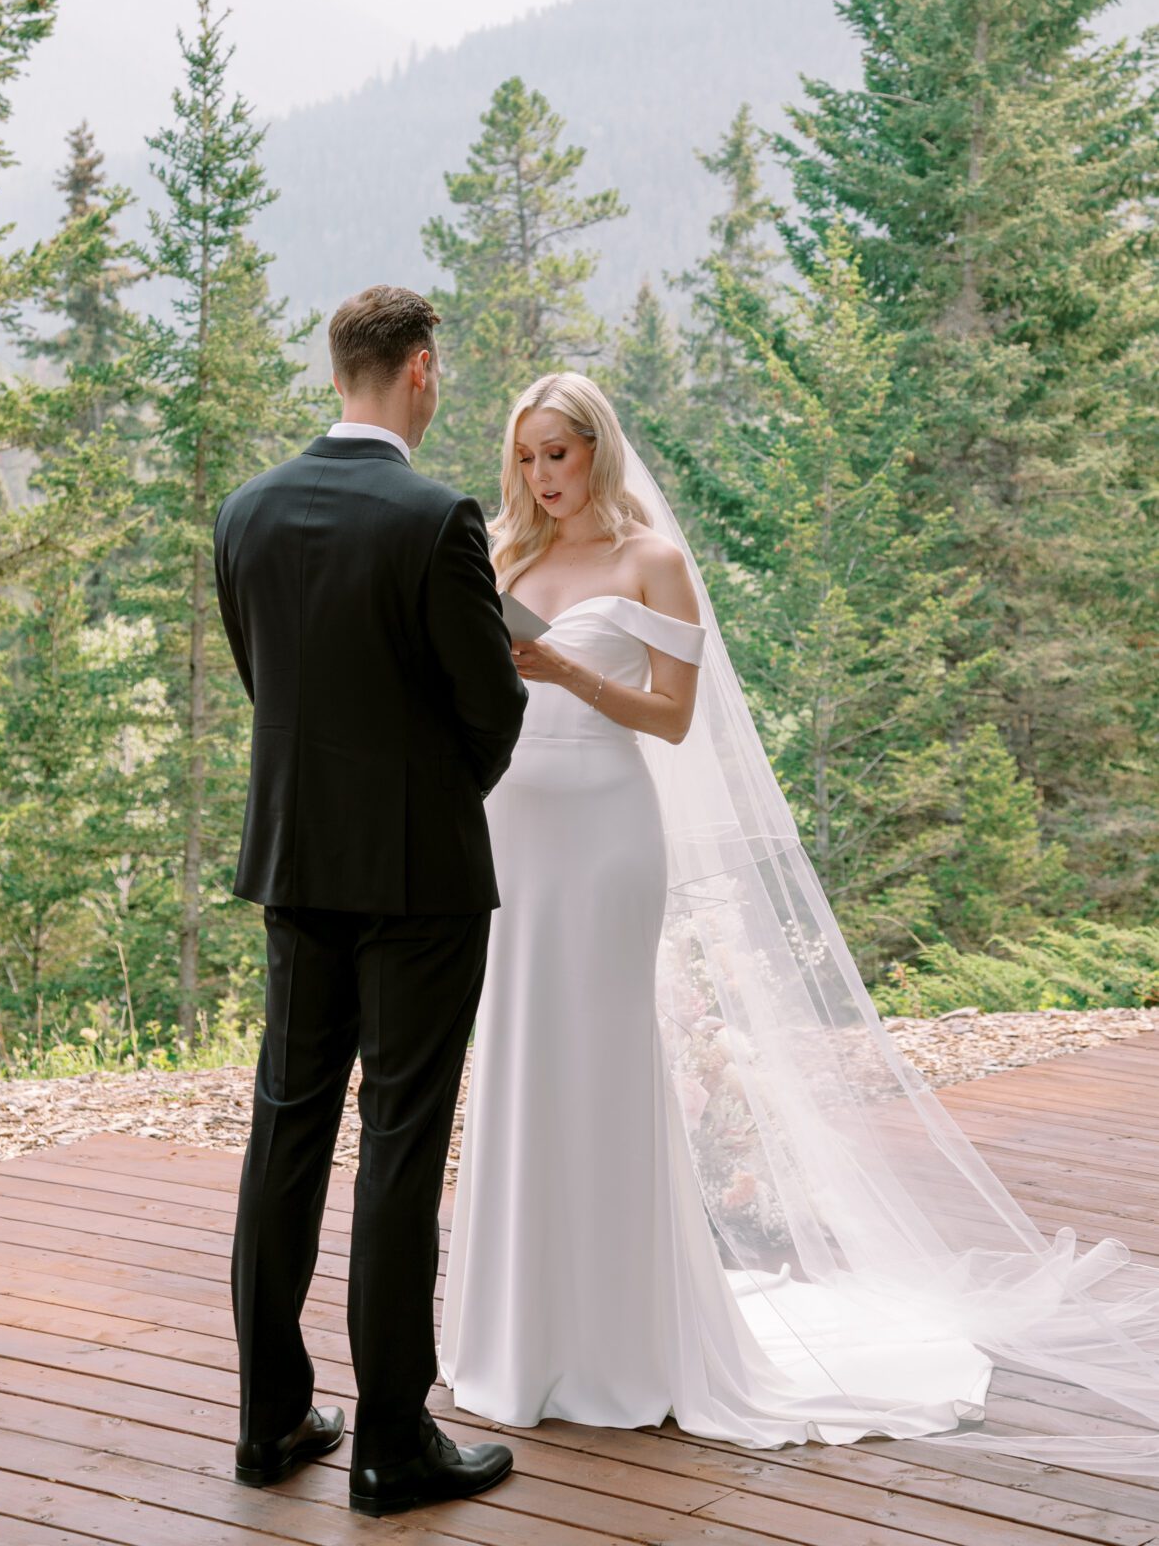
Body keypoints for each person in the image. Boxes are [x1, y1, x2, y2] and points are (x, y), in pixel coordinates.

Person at [440, 370, 1159, 1473]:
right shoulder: (507, 557)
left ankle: (619, 1340)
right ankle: (517, 1332)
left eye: (560, 454)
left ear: (599, 450)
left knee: (600, 1064)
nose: (542, 477)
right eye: (527, 456)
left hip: (605, 828)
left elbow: (674, 721)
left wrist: (568, 669)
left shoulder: (653, 561)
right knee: (521, 1060)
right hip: (514, 829)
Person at [214, 284, 527, 1519]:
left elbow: (264, 677)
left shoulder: (245, 510)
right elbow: (490, 705)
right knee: (398, 1143)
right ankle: (392, 1439)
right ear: (419, 369)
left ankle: (267, 1419)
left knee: (285, 1132)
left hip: (297, 866)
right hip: (420, 881)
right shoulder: (436, 515)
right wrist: (440, 796)